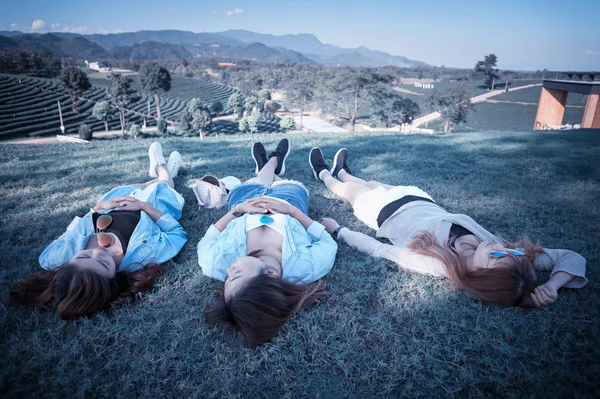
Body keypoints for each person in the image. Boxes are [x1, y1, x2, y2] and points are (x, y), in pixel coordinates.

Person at [308, 147, 587, 308]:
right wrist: (553, 285)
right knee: (367, 181)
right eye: (508, 252)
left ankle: (323, 173)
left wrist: (339, 230)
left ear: (478, 275)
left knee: (346, 189)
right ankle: (342, 169)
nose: (498, 248)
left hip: (381, 211)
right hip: (418, 199)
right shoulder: (507, 256)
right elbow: (573, 257)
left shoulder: (439, 264)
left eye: (495, 257)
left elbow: (380, 250)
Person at [6, 142, 188, 319]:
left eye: (84, 256)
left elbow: (69, 234)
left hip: (117, 198)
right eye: (104, 263)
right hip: (155, 202)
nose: (97, 252)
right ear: (112, 279)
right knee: (163, 184)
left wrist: (96, 209)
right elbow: (176, 235)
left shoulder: (54, 258)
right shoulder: (143, 256)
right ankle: (161, 167)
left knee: (140, 186)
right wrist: (145, 207)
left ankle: (159, 176)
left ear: (67, 264)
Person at [198, 139, 337, 345]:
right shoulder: (306, 267)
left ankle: (271, 162)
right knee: (285, 184)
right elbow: (328, 243)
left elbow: (208, 239)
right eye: (235, 275)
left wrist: (238, 211)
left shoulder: (214, 264)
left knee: (259, 179)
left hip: (243, 201)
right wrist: (292, 212)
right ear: (270, 274)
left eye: (226, 280)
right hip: (289, 201)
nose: (228, 272)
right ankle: (273, 163)